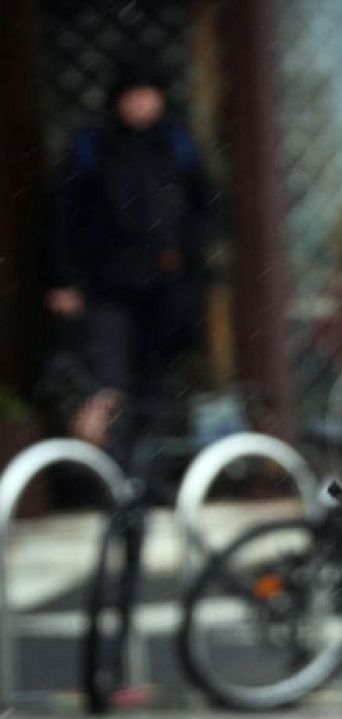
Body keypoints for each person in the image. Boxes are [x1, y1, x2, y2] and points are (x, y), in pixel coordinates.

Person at [44, 62, 215, 459]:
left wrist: (184, 254)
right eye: (133, 94)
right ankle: (115, 476)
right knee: (108, 382)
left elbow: (207, 208)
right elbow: (61, 216)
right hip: (106, 283)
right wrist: (61, 279)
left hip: (167, 285)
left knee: (160, 383)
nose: (141, 103)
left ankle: (154, 472)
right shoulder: (92, 145)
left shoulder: (176, 144)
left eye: (148, 93)